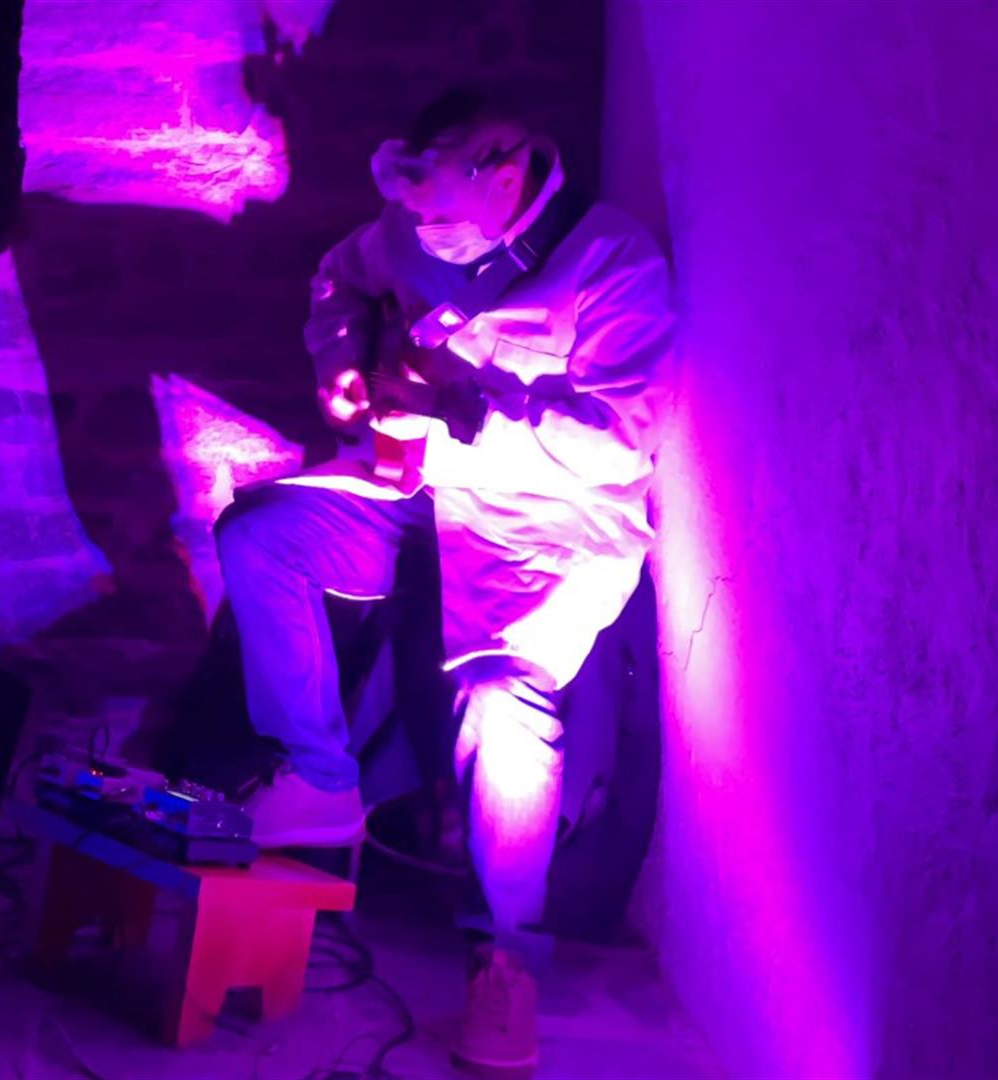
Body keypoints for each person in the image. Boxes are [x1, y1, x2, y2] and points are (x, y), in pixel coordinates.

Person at [214, 87, 674, 1075]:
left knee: (503, 702)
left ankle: (505, 964)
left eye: (440, 220)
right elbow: (340, 275)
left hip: (546, 524)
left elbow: (616, 444)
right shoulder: (412, 228)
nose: (423, 239)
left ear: (506, 175)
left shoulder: (615, 265)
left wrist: (461, 420)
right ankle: (319, 778)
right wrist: (341, 359)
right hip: (417, 490)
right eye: (415, 219)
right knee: (261, 536)